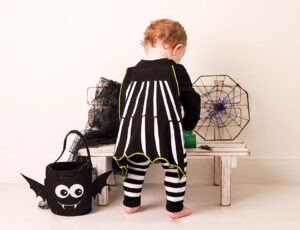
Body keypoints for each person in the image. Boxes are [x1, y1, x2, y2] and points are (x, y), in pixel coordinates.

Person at [112, 18, 201, 219]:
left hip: (134, 132)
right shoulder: (176, 70)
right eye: (181, 55)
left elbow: (123, 104)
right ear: (176, 49)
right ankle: (175, 208)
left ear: (147, 47)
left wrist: (126, 129)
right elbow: (191, 101)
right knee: (175, 164)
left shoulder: (132, 72)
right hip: (166, 131)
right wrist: (188, 125)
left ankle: (131, 203)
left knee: (135, 164)